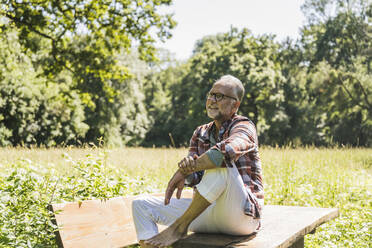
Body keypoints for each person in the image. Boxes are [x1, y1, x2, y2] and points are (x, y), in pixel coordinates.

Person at [132, 75, 264, 248]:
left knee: (222, 165)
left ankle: (179, 227)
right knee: (141, 205)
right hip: (206, 211)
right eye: (211, 95)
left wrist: (186, 169)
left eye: (220, 96)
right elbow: (196, 178)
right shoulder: (200, 132)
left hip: (241, 216)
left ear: (235, 104)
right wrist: (187, 173)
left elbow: (226, 152)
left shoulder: (244, 125)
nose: (212, 100)